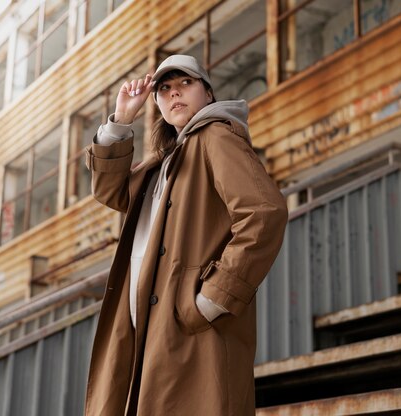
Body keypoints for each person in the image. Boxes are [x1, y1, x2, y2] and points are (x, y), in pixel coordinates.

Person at [84, 54, 288, 415]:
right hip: (145, 332)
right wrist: (122, 120)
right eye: (164, 89)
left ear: (208, 93)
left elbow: (263, 213)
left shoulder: (215, 136)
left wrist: (213, 298)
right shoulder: (164, 162)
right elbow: (110, 191)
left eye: (185, 83)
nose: (174, 94)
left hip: (190, 329)